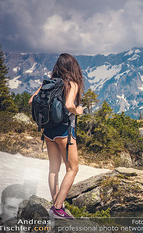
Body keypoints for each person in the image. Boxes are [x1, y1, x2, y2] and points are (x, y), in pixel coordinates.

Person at [29, 53, 84, 219]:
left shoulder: (48, 83)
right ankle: (58, 208)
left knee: (54, 169)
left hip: (48, 131)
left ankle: (56, 205)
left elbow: (32, 100)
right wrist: (78, 110)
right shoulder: (72, 83)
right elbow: (68, 105)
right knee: (73, 168)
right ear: (72, 67)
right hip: (64, 131)